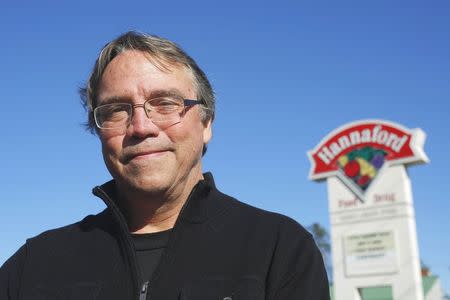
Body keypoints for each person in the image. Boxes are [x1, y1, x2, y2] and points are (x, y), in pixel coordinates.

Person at [0, 31, 330, 300]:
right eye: (116, 109)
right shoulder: (33, 267)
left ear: (207, 124)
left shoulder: (278, 250)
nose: (141, 126)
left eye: (165, 103)